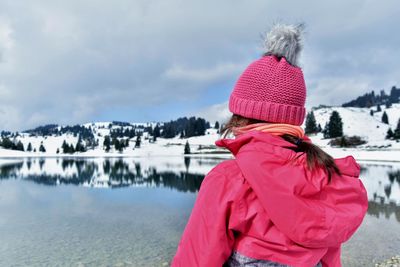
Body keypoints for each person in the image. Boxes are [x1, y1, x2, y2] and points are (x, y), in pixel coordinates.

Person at [171, 23, 368, 267]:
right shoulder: (324, 175)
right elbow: (329, 258)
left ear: (241, 115)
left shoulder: (229, 180)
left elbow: (196, 260)